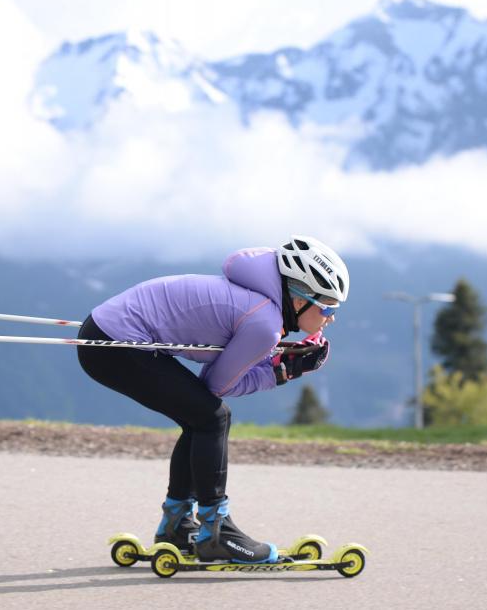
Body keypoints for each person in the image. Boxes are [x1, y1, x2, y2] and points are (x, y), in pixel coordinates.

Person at [76, 235, 349, 563]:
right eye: (328, 307)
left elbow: (221, 370)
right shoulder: (264, 322)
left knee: (201, 418)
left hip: (108, 331)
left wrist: (276, 362)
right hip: (115, 344)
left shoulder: (259, 301)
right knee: (212, 417)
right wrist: (281, 372)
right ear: (299, 298)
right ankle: (216, 531)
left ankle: (177, 525)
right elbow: (218, 385)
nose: (331, 317)